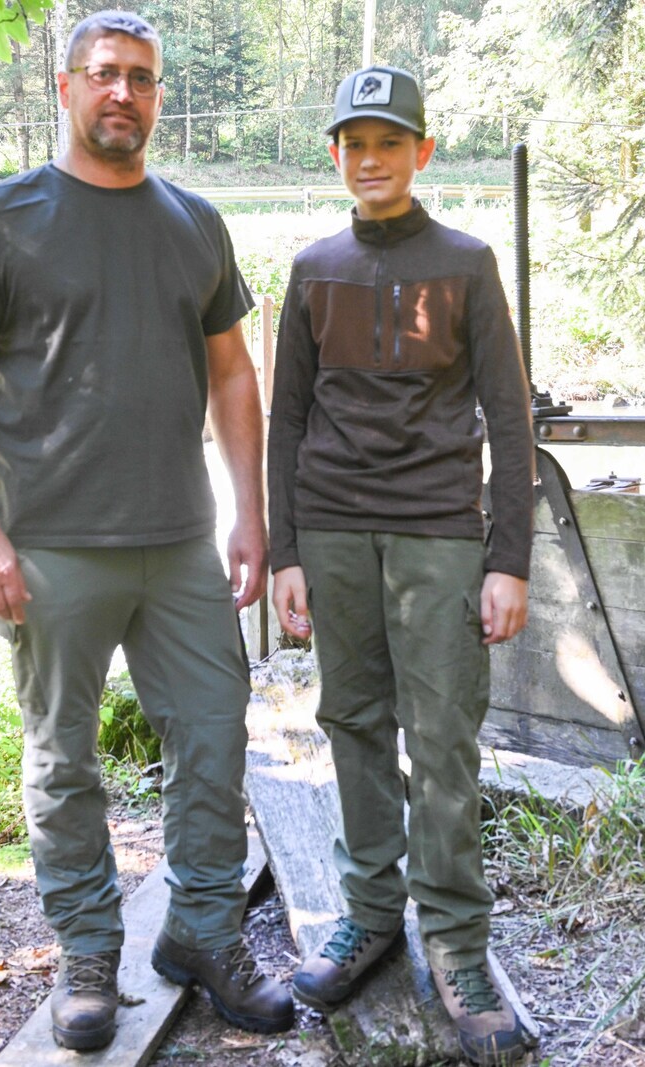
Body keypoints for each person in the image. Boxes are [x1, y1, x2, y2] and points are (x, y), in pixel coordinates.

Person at [0, 10, 294, 1053]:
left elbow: (230, 370)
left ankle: (202, 933)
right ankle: (89, 950)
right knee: (62, 756)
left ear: (159, 94)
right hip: (48, 546)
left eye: (140, 77)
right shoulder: (4, 218)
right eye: (102, 74)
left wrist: (249, 514)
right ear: (65, 88)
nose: (121, 92)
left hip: (179, 540)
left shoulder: (194, 222)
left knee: (214, 737)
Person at [267, 64, 536, 1067]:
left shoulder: (464, 264)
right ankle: (370, 910)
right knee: (350, 719)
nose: (369, 160)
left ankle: (457, 943)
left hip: (435, 533)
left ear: (421, 152)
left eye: (388, 142)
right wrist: (286, 547)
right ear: (333, 154)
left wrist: (503, 557)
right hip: (332, 531)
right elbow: (286, 414)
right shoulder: (312, 266)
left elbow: (508, 421)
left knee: (444, 732)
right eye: (352, 143)